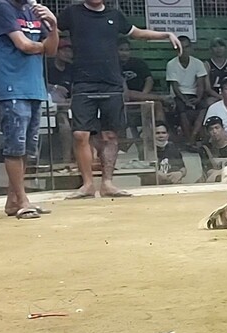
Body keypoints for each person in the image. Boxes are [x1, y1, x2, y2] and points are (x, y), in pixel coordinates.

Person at [58, 0, 181, 199]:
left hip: (111, 83)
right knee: (80, 134)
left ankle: (107, 183)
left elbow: (137, 32)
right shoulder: (72, 13)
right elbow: (50, 28)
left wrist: (165, 34)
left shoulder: (115, 15)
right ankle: (88, 184)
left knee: (110, 135)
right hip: (82, 82)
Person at [0, 0, 59, 218]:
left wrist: (53, 24)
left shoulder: (34, 11)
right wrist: (41, 46)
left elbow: (52, 50)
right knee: (15, 147)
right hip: (11, 85)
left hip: (34, 87)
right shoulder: (1, 7)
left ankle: (14, 201)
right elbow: (24, 45)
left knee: (28, 149)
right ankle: (22, 200)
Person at [166, 35, 207, 147]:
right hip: (179, 95)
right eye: (180, 47)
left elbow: (200, 84)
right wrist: (185, 101)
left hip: (194, 94)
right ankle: (189, 140)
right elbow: (175, 86)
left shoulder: (198, 63)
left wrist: (198, 98)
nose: (184, 50)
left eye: (186, 47)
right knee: (182, 110)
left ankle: (193, 137)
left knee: (204, 107)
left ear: (191, 48)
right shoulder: (171, 64)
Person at [46, 38, 74, 163]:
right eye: (64, 50)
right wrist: (55, 87)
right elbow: (41, 83)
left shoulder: (72, 69)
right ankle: (66, 160)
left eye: (70, 51)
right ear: (56, 52)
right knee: (65, 126)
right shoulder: (47, 67)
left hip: (70, 105)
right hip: (51, 107)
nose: (68, 54)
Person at [203, 37, 227, 104]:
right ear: (211, 49)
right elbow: (208, 88)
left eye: (221, 46)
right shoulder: (207, 65)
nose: (219, 49)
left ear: (225, 48)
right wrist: (221, 97)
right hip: (214, 96)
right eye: (215, 46)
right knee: (210, 103)